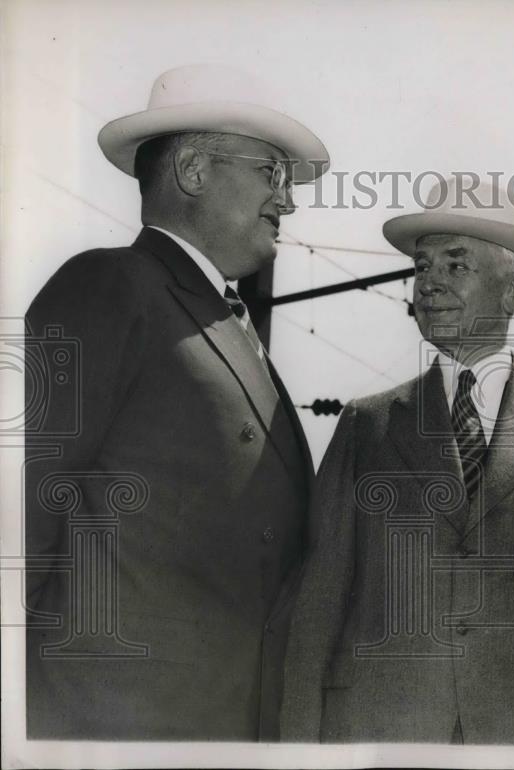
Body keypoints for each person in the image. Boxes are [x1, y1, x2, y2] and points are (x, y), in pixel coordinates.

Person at [281, 177, 514, 745]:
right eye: (422, 266)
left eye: (455, 266)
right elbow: (318, 606)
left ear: (512, 290)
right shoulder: (365, 424)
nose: (429, 283)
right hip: (383, 736)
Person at [24, 64, 328, 740]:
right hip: (112, 722)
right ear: (192, 169)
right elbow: (21, 506)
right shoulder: (111, 286)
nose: (289, 200)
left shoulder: (223, 322)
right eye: (271, 173)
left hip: (220, 723)